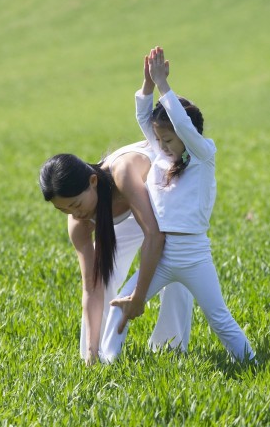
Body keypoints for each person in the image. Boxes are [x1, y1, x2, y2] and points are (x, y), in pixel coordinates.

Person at [103, 46, 255, 363]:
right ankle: (107, 363)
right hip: (161, 254)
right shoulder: (163, 153)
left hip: (194, 255)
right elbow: (144, 116)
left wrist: (164, 85)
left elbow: (182, 128)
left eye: (169, 141)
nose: (163, 147)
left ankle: (251, 363)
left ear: (188, 135)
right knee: (123, 303)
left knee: (220, 320)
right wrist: (147, 85)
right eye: (160, 141)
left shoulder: (202, 154)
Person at [38, 140, 193, 365]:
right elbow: (91, 286)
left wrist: (138, 297)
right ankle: (94, 355)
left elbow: (154, 236)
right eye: (63, 209)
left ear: (92, 181)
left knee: (175, 266)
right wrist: (91, 351)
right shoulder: (78, 223)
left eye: (76, 204)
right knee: (104, 277)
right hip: (128, 215)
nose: (74, 214)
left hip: (163, 202)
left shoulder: (123, 173)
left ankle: (170, 349)